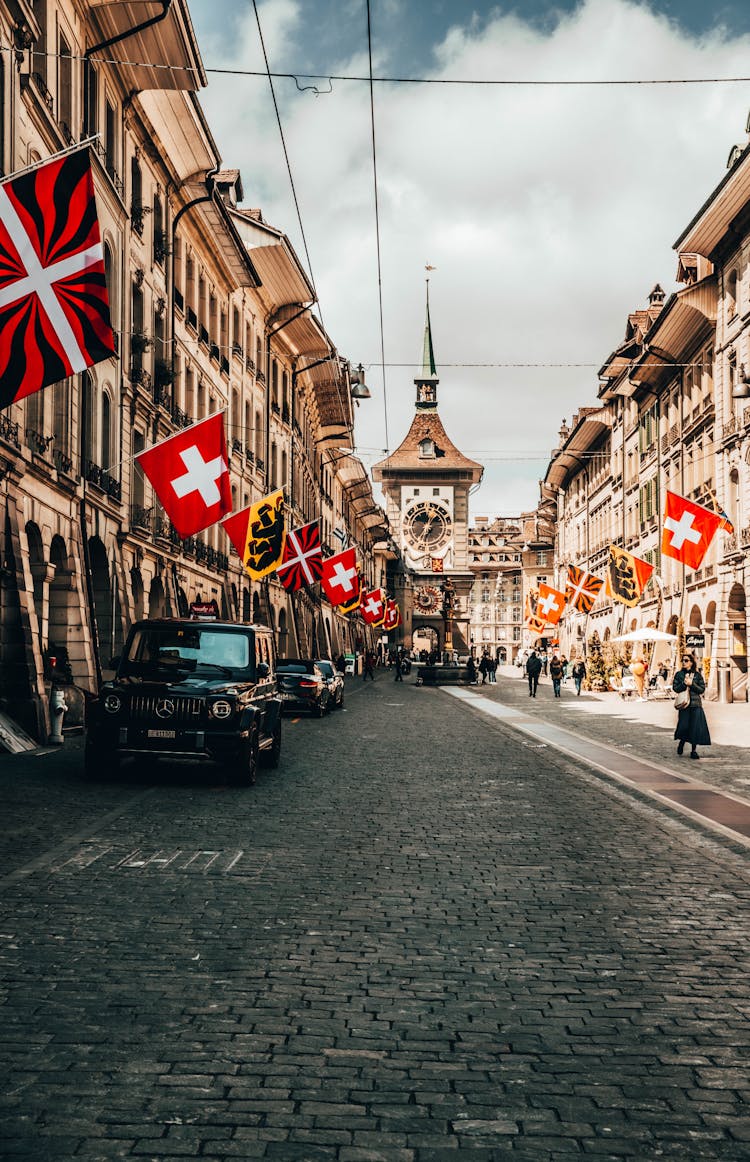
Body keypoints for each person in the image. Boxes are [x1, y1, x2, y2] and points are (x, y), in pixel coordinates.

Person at [672, 652, 711, 759]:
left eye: (686, 661)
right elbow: (675, 688)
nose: (684, 663)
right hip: (684, 705)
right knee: (684, 727)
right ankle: (682, 742)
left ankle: (693, 751)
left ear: (691, 663)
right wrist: (684, 684)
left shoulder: (697, 675)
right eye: (683, 661)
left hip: (695, 705)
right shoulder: (679, 674)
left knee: (695, 728)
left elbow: (701, 689)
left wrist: (692, 684)